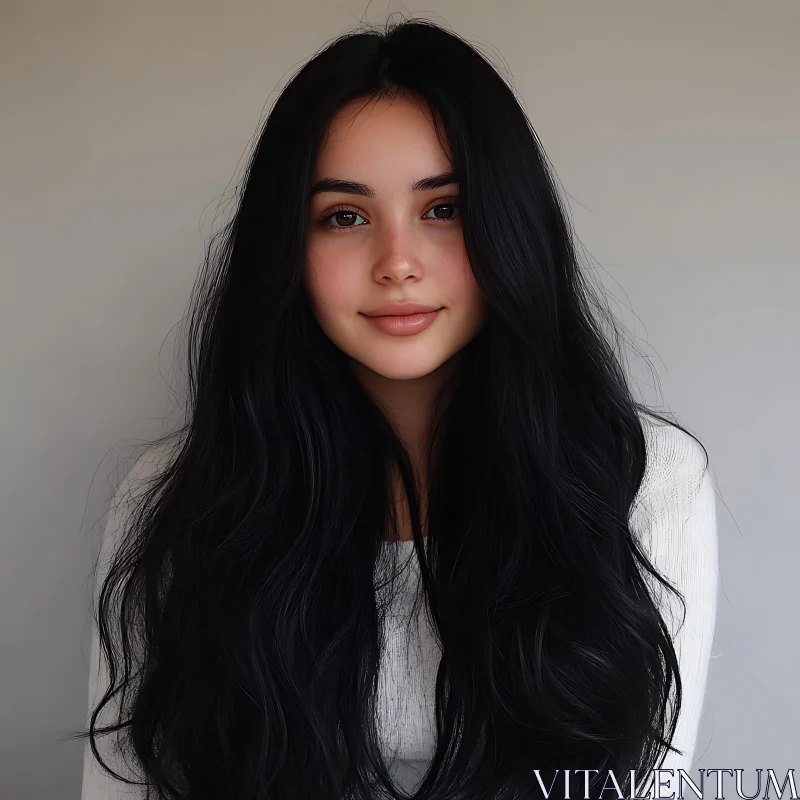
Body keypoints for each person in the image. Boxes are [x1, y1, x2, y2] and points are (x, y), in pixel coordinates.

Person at [73, 16, 718, 800]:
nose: (398, 263)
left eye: (443, 208)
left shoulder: (639, 481)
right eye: (344, 217)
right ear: (287, 249)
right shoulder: (174, 499)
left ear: (510, 227)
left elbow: (648, 784)